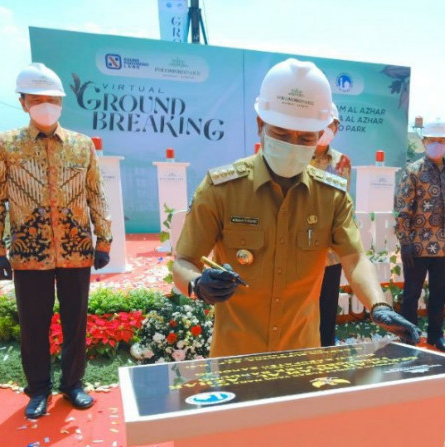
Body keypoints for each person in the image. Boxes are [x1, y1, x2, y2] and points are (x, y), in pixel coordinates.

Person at [172, 58, 419, 357]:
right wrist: (198, 285)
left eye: (305, 137)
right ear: (260, 125)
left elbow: (354, 259)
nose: (293, 143)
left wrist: (378, 305)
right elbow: (184, 260)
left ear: (321, 135)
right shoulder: (222, 189)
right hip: (234, 355)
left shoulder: (331, 196)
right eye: (282, 133)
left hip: (301, 356)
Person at [0, 63, 112, 419]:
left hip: (75, 248)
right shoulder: (4, 146)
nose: (45, 105)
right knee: (33, 324)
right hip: (28, 250)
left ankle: (73, 384)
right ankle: (38, 389)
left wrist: (105, 240)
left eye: (51, 99)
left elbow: (96, 193)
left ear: (62, 102)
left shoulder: (82, 146)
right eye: (36, 99)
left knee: (75, 321)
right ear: (23, 103)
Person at [394, 120, 445, 353]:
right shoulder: (413, 171)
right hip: (417, 246)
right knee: (411, 294)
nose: (437, 144)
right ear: (423, 142)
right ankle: (410, 336)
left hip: (444, 245)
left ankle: (436, 335)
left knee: (439, 292)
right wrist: (405, 243)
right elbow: (403, 209)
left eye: (441, 141)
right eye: (432, 140)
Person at [311, 103, 353, 346]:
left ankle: (326, 354)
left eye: (332, 124)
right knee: (301, 309)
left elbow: (344, 204)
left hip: (330, 253)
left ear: (337, 127)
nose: (327, 129)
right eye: (322, 124)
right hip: (301, 250)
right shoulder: (297, 158)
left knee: (327, 307)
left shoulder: (342, 163)